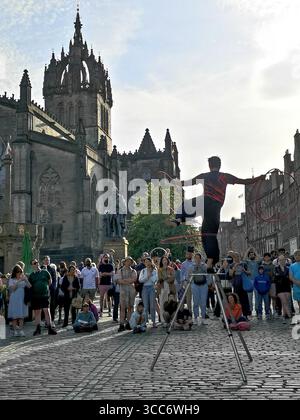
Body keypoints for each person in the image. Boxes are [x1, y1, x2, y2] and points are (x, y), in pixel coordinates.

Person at [172, 156, 264, 269]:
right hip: (216, 208)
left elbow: (189, 182)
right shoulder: (225, 177)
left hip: (205, 202)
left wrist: (176, 182)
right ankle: (212, 261)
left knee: (189, 206)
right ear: (219, 166)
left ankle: (178, 219)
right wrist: (259, 178)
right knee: (210, 234)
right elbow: (244, 181)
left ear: (209, 165)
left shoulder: (205, 176)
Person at [28, 259, 57, 336]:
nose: (36, 264)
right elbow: (30, 286)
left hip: (44, 295)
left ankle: (50, 328)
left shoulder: (45, 272)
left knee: (46, 311)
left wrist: (45, 288)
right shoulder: (31, 275)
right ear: (32, 265)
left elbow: (50, 281)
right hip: (36, 296)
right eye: (34, 263)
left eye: (37, 262)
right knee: (37, 312)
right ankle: (38, 329)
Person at [7, 265, 31, 337]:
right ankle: (15, 331)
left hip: (22, 298)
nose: (20, 273)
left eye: (21, 272)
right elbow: (12, 289)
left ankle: (21, 330)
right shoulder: (12, 280)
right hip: (14, 299)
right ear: (15, 272)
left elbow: (29, 286)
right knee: (15, 316)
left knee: (21, 315)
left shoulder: (23, 278)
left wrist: (26, 280)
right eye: (18, 272)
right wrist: (19, 281)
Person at [115, 257, 137, 332]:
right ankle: (121, 324)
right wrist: (128, 281)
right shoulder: (120, 271)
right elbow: (119, 280)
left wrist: (124, 280)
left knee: (130, 307)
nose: (128, 263)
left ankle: (129, 323)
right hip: (123, 291)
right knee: (122, 308)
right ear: (124, 262)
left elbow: (134, 279)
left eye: (130, 261)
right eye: (127, 261)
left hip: (131, 291)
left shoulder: (133, 271)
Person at [190, 253, 209, 326]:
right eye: (196, 258)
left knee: (203, 303)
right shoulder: (192, 266)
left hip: (203, 285)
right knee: (195, 302)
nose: (197, 259)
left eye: (198, 258)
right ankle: (195, 318)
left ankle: (203, 318)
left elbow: (207, 273)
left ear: (200, 259)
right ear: (194, 259)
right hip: (195, 285)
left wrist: (200, 266)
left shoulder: (204, 265)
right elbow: (190, 274)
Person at [139, 257, 158, 328]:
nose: (147, 263)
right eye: (145, 262)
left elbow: (154, 280)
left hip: (152, 288)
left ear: (151, 262)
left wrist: (150, 274)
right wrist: (147, 277)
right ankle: (144, 322)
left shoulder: (155, 271)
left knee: (152, 306)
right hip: (145, 288)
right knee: (146, 306)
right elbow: (140, 280)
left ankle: (154, 322)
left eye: (148, 262)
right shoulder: (143, 271)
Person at [157, 257, 175, 326]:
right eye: (163, 260)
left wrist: (166, 278)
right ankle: (163, 320)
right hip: (162, 288)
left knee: (170, 304)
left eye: (165, 260)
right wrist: (167, 277)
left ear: (168, 261)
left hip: (170, 287)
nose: (164, 261)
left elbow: (172, 278)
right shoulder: (159, 270)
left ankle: (170, 319)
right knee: (162, 303)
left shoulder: (171, 269)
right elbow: (160, 278)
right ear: (161, 261)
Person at [274, 255, 291, 323]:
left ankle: (284, 315)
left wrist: (282, 276)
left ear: (285, 260)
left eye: (283, 259)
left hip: (287, 287)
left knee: (286, 301)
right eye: (280, 260)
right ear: (278, 261)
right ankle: (290, 316)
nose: (282, 261)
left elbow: (289, 277)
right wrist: (284, 276)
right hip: (279, 287)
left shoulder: (288, 268)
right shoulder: (276, 268)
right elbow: (276, 277)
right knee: (284, 302)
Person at [289, 250, 300, 314]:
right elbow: (291, 276)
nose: (297, 256)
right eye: (296, 255)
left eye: (299, 255)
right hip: (296, 286)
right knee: (298, 300)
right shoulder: (292, 266)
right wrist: (297, 282)